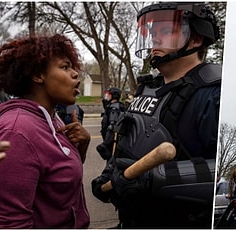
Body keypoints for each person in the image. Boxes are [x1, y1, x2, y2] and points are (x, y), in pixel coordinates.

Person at [91, 2, 221, 228]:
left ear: (196, 38)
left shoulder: (213, 94)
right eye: (153, 33)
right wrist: (110, 173)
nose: (155, 39)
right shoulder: (148, 88)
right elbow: (127, 141)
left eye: (167, 31)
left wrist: (154, 178)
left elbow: (221, 172)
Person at [0, 34, 90, 228]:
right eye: (65, 67)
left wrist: (82, 146)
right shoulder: (17, 132)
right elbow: (8, 224)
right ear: (38, 75)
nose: (75, 74)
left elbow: (59, 176)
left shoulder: (53, 118)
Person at [96, 87, 125, 161]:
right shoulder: (113, 106)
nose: (107, 96)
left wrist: (105, 144)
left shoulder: (114, 108)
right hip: (113, 141)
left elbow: (112, 127)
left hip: (113, 142)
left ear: (114, 96)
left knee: (111, 161)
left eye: (108, 94)